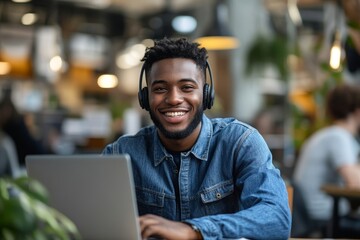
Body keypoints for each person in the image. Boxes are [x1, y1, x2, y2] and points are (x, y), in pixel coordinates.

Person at [102, 37, 291, 239]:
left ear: (206, 94)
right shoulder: (121, 154)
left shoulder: (240, 142)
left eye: (187, 87)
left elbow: (276, 219)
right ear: (145, 98)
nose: (174, 98)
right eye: (160, 89)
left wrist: (194, 230)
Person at [293, 84, 360, 236]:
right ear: (357, 111)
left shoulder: (331, 135)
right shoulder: (338, 137)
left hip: (318, 213)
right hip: (323, 216)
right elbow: (355, 183)